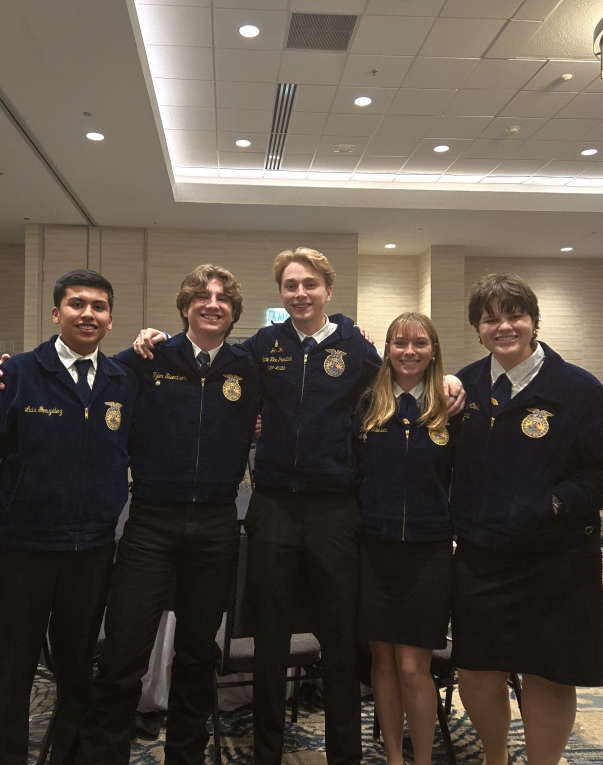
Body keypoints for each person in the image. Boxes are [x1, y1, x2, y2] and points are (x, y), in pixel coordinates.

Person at [133, 247, 467, 765]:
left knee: (339, 641)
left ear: (328, 291)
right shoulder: (263, 345)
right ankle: (267, 753)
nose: (300, 293)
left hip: (336, 510)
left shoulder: (356, 348)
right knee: (269, 642)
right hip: (273, 507)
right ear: (281, 294)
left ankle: (344, 757)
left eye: (310, 284)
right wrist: (152, 337)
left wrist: (447, 380)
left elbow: (407, 369)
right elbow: (209, 359)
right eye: (290, 286)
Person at [0, 264, 261, 765]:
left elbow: (313, 357)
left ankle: (185, 756)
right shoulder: (145, 360)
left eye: (223, 297)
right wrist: (3, 376)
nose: (212, 303)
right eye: (201, 295)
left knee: (199, 656)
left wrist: (353, 332)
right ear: (184, 307)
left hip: (217, 527)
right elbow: (84, 379)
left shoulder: (250, 367)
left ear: (234, 312)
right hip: (151, 523)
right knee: (122, 655)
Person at [448, 273, 603, 765]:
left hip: (556, 558)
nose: (504, 327)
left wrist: (556, 502)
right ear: (477, 327)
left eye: (515, 316)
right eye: (491, 319)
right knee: (475, 669)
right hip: (479, 556)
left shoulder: (578, 389)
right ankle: (495, 757)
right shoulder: (463, 387)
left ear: (533, 321)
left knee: (548, 674)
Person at [0, 269, 138, 765]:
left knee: (77, 671)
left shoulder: (123, 381)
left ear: (111, 319)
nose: (88, 314)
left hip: (92, 552)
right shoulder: (17, 374)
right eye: (76, 304)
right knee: (13, 671)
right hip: (21, 552)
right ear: (56, 314)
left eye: (98, 306)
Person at [354, 312, 458, 765]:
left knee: (414, 667)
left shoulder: (451, 406)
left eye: (419, 343)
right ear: (387, 350)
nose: (409, 352)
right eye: (400, 343)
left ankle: (423, 760)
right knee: (382, 663)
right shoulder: (368, 405)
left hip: (429, 552)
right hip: (374, 550)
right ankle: (394, 757)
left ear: (433, 350)